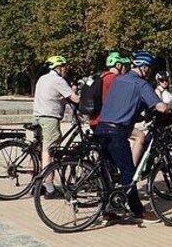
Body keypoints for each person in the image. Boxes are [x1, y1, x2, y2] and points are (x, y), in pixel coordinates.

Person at [95, 51, 169, 222]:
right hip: (117, 132)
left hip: (101, 128)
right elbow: (160, 107)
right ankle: (138, 211)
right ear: (143, 67)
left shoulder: (118, 79)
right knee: (129, 171)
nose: (149, 72)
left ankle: (108, 211)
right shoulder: (140, 84)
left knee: (108, 171)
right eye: (149, 68)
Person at [33, 55, 80, 198]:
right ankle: (49, 188)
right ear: (58, 68)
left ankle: (35, 182)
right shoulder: (58, 80)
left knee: (38, 149)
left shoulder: (43, 78)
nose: (65, 69)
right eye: (64, 66)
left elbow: (56, 97)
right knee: (50, 150)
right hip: (49, 118)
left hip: (37, 116)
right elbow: (75, 98)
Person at [88, 51, 131, 131]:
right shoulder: (115, 79)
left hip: (94, 120)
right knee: (139, 136)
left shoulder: (102, 76)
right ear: (118, 65)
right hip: (107, 122)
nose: (126, 69)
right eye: (125, 66)